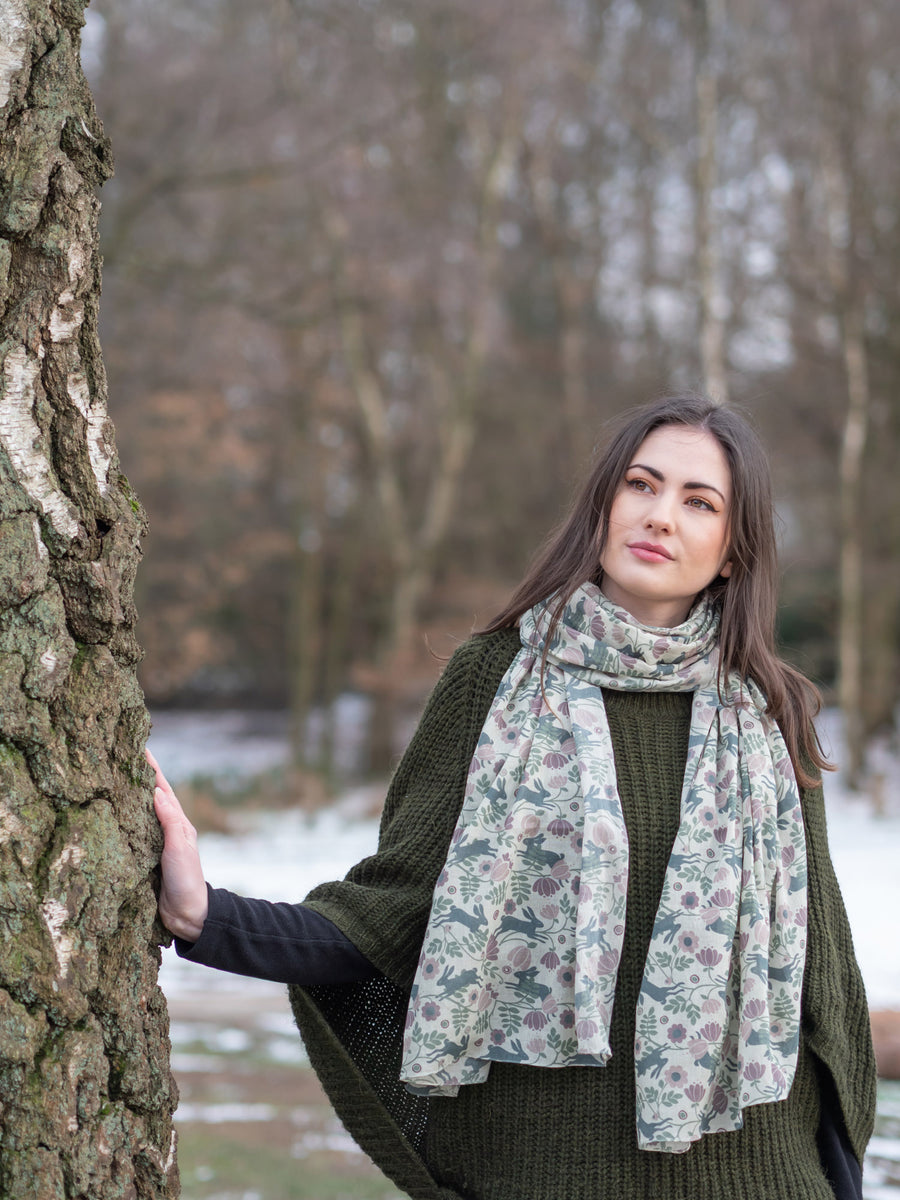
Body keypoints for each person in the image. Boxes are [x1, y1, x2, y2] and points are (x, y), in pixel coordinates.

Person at [151, 395, 876, 1200]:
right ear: (604, 503)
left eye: (699, 502)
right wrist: (205, 918)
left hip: (760, 1179)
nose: (660, 516)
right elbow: (393, 918)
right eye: (641, 484)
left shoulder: (772, 712)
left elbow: (823, 974)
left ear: (735, 552)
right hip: (534, 1171)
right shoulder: (496, 682)